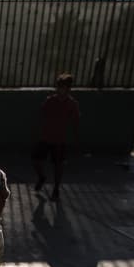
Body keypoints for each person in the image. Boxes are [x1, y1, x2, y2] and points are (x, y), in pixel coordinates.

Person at [32, 73, 81, 202]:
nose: (60, 90)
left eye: (63, 87)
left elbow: (75, 121)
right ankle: (42, 177)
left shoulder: (72, 104)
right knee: (36, 160)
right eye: (59, 87)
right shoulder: (50, 100)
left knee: (58, 165)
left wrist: (76, 137)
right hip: (46, 137)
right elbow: (41, 114)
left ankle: (56, 189)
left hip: (60, 139)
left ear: (68, 89)